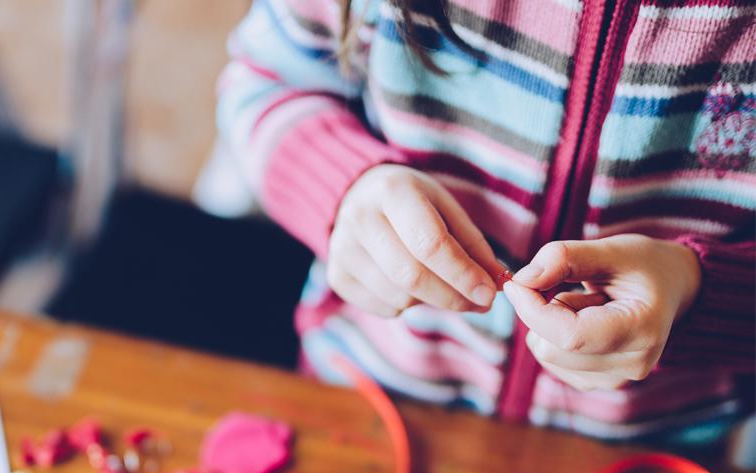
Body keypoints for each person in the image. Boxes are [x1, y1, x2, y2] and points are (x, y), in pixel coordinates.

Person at [215, 0, 755, 442]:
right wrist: (338, 188)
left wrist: (694, 293)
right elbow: (264, 80)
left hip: (659, 462)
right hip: (363, 403)